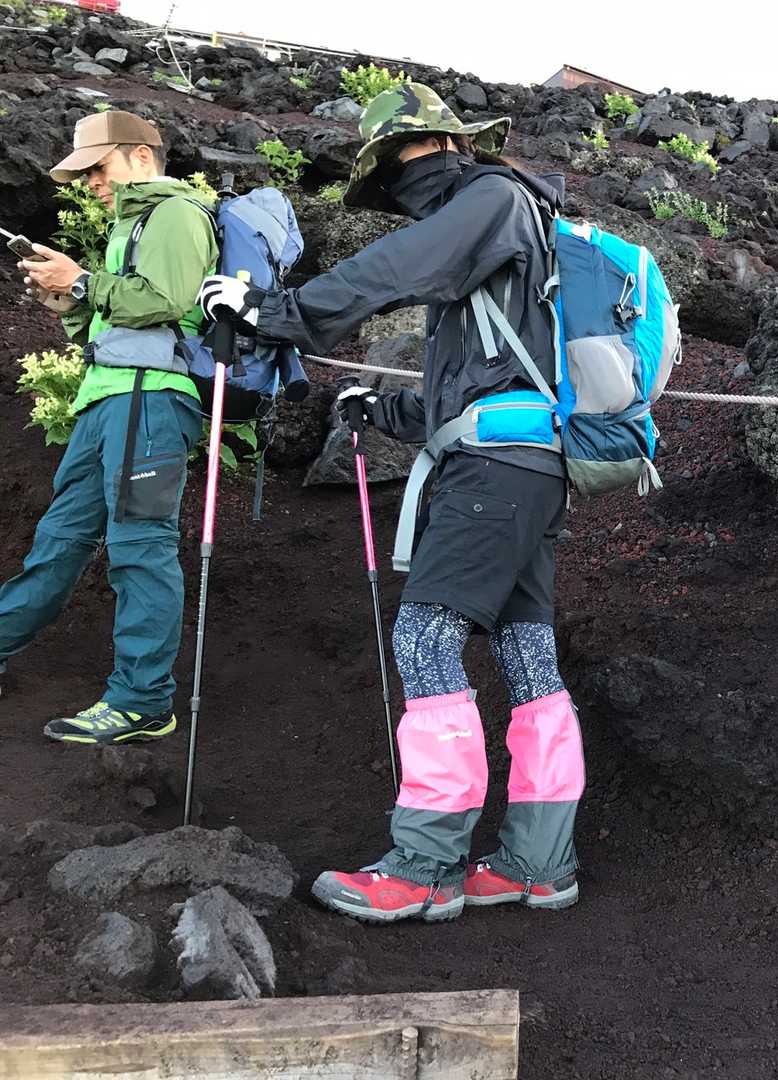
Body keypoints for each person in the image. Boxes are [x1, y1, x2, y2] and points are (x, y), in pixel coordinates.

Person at [199, 82, 584, 923]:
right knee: (526, 657)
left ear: (438, 146)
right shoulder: (513, 228)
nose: (400, 181)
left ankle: (425, 867)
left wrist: (275, 311)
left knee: (426, 637)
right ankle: (538, 863)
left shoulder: (491, 197)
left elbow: (399, 266)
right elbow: (485, 380)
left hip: (496, 471)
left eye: (399, 159)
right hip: (527, 462)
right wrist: (385, 409)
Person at [1, 111, 214, 744]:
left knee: (140, 547)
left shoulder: (176, 212)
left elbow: (168, 302)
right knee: (58, 542)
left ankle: (143, 702)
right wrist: (70, 301)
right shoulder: (130, 225)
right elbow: (116, 325)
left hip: (150, 402)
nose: (91, 181)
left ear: (140, 156)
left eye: (98, 167)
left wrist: (83, 281)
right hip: (107, 402)